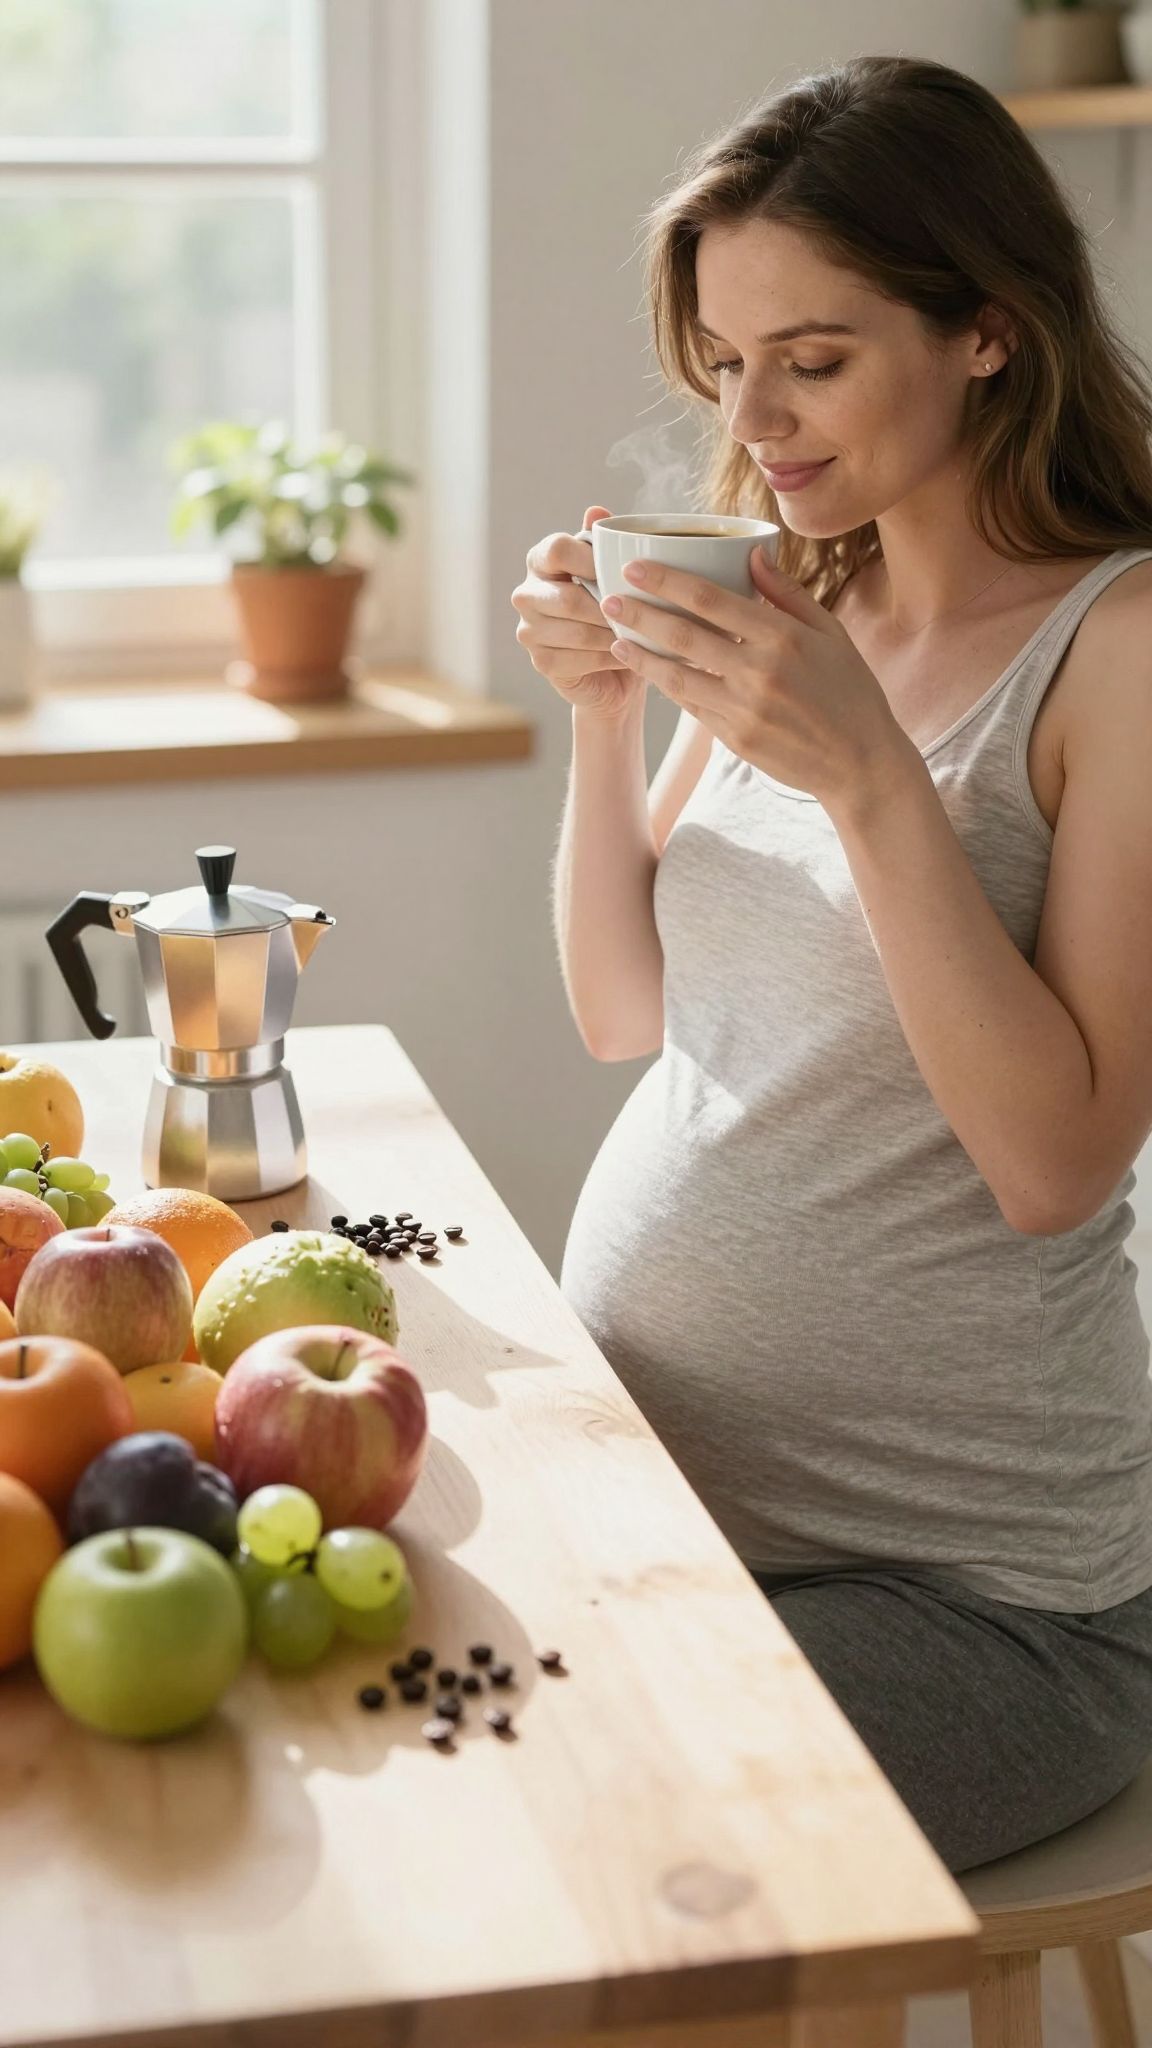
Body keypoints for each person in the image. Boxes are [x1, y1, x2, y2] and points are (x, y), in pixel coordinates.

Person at [510, 53, 1152, 1874]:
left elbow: (1056, 1166)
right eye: (728, 362)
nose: (759, 416)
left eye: (816, 356)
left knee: (529, 1832)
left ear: (987, 334)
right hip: (683, 1516)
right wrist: (607, 718)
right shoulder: (816, 595)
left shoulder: (1121, 649)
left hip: (978, 1607)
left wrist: (870, 772)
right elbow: (625, 1013)